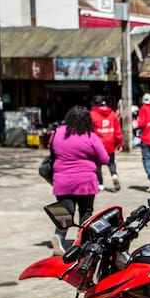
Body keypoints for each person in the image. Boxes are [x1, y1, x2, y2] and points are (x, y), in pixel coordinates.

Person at [49, 105, 109, 256]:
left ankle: (59, 236)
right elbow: (104, 159)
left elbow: (51, 152)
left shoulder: (57, 133)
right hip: (85, 181)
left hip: (62, 180)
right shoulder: (90, 136)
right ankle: (83, 241)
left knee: (64, 211)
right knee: (86, 212)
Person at [90, 95, 122, 191]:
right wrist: (119, 142)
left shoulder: (92, 114)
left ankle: (100, 183)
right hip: (110, 143)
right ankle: (114, 175)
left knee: (97, 164)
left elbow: (89, 131)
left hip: (97, 144)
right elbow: (117, 130)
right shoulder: (112, 114)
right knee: (111, 162)